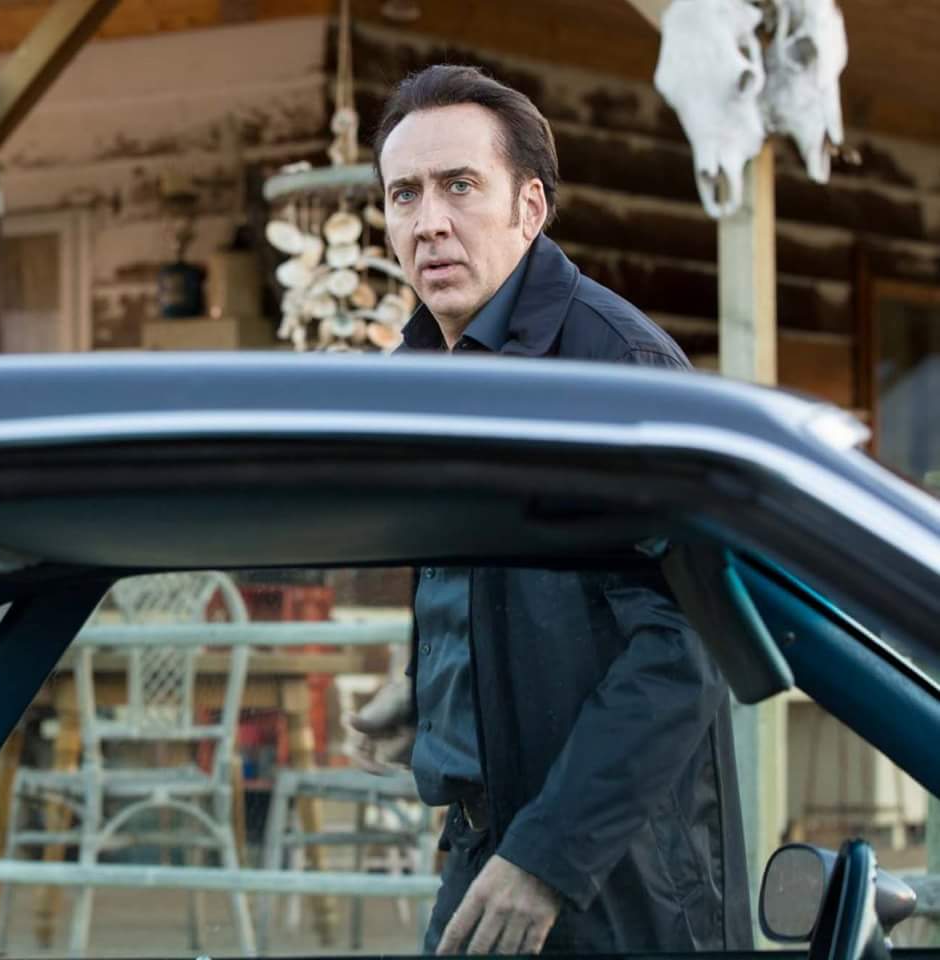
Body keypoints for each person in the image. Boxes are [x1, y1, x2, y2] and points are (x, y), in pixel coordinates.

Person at [348, 65, 752, 957]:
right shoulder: (424, 377)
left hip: (619, 876)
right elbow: (502, 588)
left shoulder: (614, 372)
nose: (429, 221)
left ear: (530, 208)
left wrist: (548, 858)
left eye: (460, 186)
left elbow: (685, 647)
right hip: (485, 844)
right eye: (404, 194)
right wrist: (433, 687)